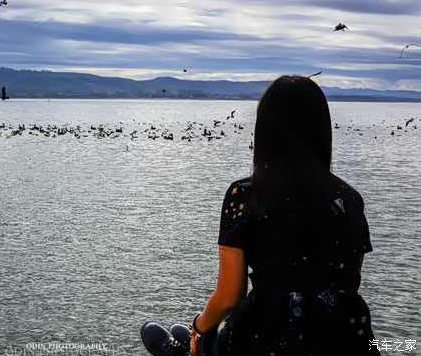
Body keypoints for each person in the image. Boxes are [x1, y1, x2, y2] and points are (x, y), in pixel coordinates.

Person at [141, 75, 379, 355]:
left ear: (265, 131)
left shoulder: (246, 195)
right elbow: (349, 277)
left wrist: (198, 327)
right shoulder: (350, 198)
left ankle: (186, 346)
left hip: (268, 336)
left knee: (191, 335)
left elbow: (229, 296)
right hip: (346, 336)